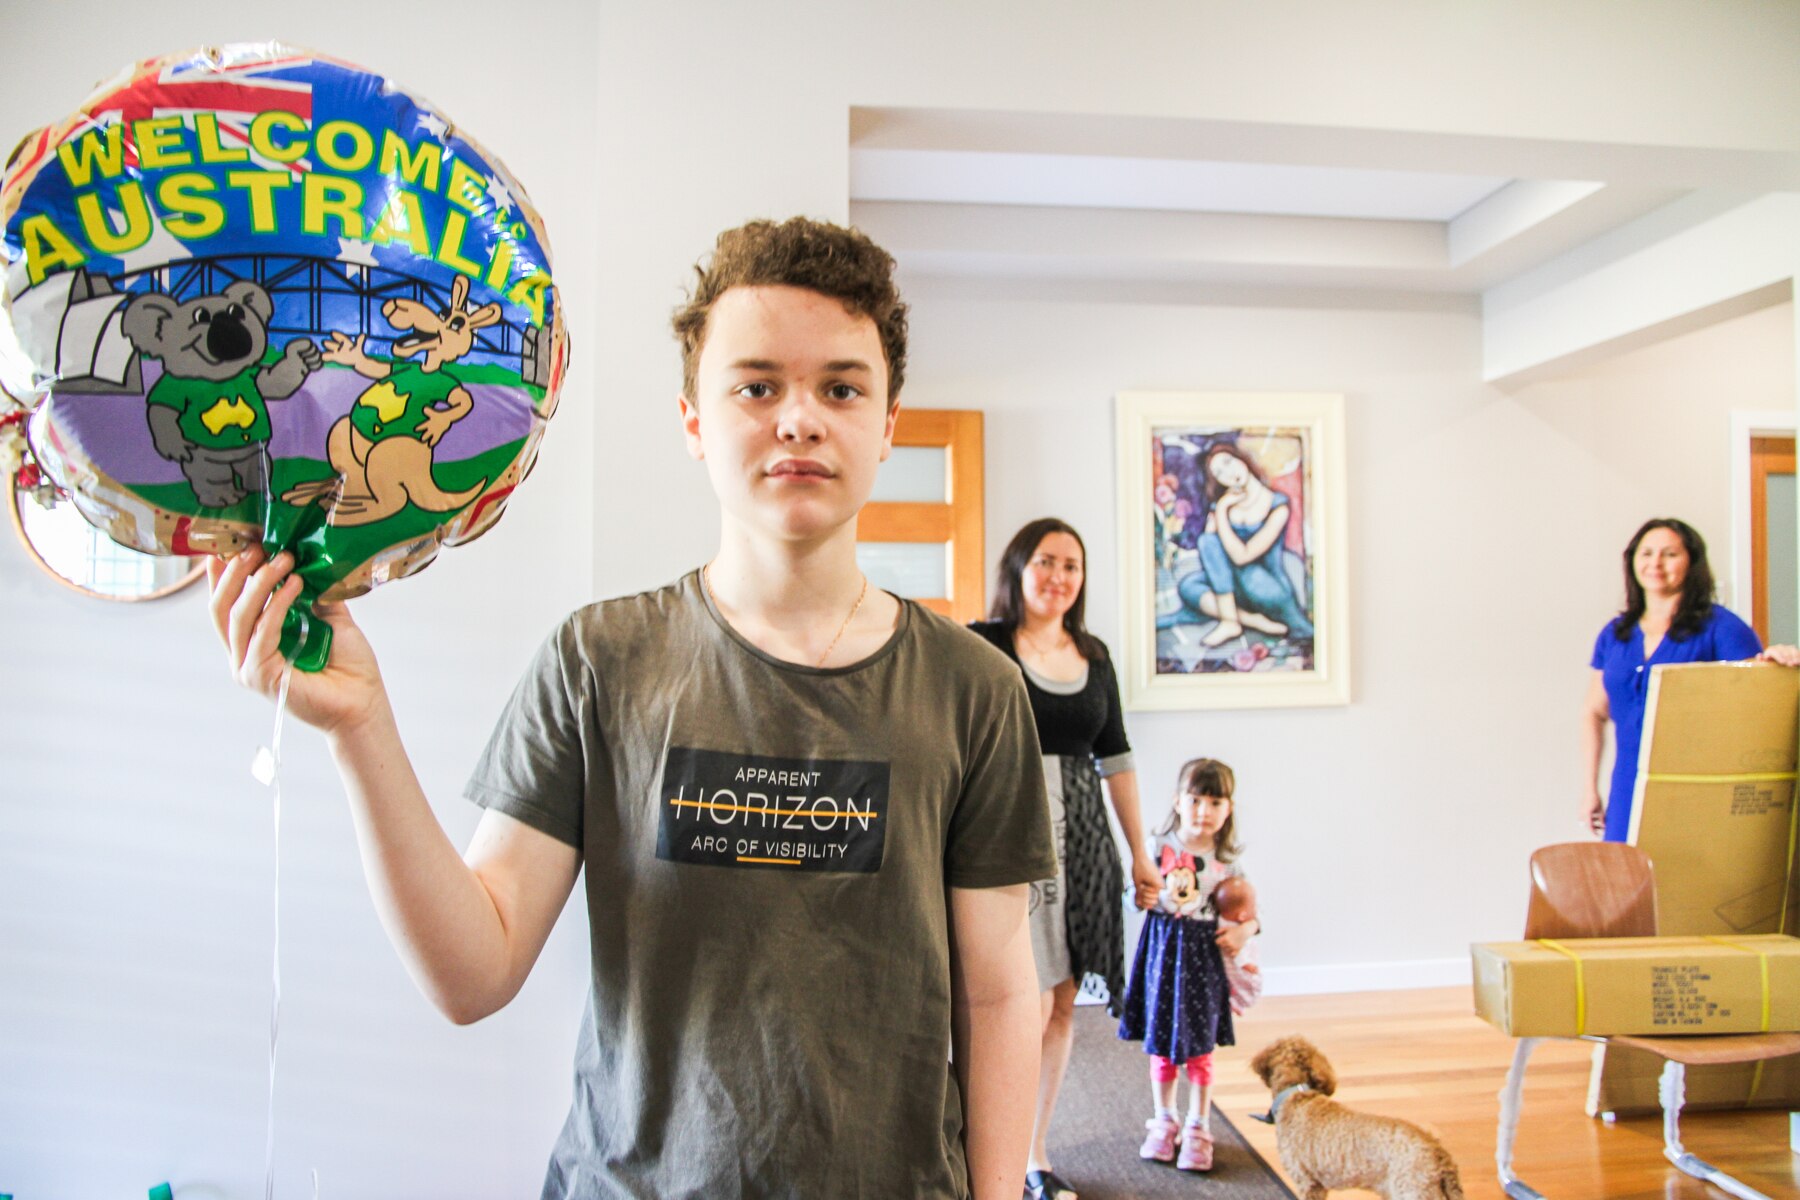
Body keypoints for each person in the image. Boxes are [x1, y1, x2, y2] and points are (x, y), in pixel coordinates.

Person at [207, 217, 1055, 1199]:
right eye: (756, 386)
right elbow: (472, 974)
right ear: (694, 421)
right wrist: (362, 728)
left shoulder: (975, 690)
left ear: (888, 422)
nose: (799, 419)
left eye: (841, 388)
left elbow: (998, 998)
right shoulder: (597, 662)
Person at [969, 518, 1159, 1200]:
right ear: (1018, 568)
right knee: (1011, 1001)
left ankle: (1034, 1155)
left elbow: (1117, 758)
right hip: (1006, 840)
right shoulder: (983, 644)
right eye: (1045, 562)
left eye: (1071, 565)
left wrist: (1140, 855)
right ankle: (984, 1148)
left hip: (1083, 844)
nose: (1058, 576)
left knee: (1059, 1003)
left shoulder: (1094, 655)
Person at [1582, 517, 1800, 842]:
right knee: (1626, 872)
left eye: (1669, 554)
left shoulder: (1722, 628)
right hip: (1627, 787)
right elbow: (1594, 711)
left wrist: (1778, 660)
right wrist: (1590, 788)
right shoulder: (1615, 634)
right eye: (1646, 553)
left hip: (1696, 789)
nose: (1656, 563)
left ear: (1692, 562)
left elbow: (1758, 695)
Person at [1117, 757, 1259, 1174]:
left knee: (1199, 1049)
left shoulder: (1227, 861)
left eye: (1215, 802)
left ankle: (1198, 1126)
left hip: (1203, 963)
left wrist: (1245, 931)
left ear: (1228, 809)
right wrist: (1137, 898)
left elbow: (1250, 914)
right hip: (1162, 957)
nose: (1203, 811)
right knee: (1162, 1046)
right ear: (1178, 801)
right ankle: (1164, 1120)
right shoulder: (1156, 847)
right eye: (1195, 800)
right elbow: (1131, 895)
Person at [1165, 442, 1313, 648]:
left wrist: (1222, 511)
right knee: (1189, 586)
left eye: (1228, 462)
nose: (1228, 473)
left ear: (1242, 460)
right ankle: (1247, 620)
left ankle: (1230, 619)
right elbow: (1211, 555)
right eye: (1219, 473)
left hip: (1264, 585)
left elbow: (1242, 557)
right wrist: (1222, 507)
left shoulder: (1277, 505)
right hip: (1234, 588)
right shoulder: (1223, 503)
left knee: (1212, 544)